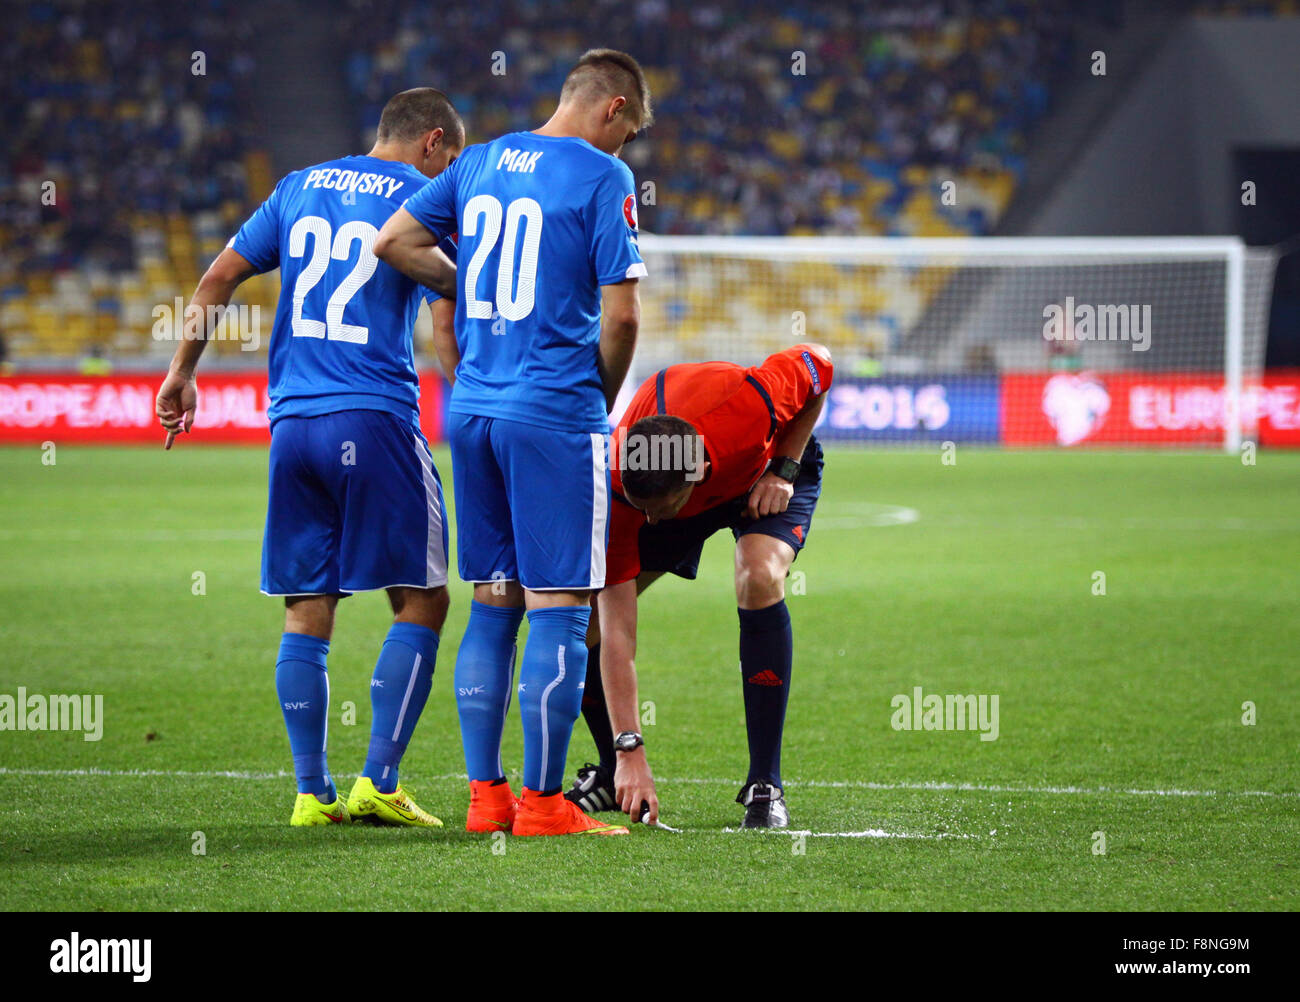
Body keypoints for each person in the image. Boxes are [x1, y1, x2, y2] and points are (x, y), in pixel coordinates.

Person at [155, 89, 462, 827]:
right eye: (450, 156)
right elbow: (447, 327)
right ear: (431, 145)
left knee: (307, 603)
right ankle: (379, 781)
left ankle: (310, 793)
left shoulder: (299, 186)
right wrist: (473, 397)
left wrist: (182, 373)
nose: (449, 167)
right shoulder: (429, 197)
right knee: (423, 596)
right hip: (376, 413)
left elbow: (217, 278)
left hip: (292, 421)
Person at [374, 49, 651, 836]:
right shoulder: (604, 179)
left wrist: (474, 289)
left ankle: (484, 799)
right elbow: (624, 317)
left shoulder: (482, 160)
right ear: (612, 110)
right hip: (553, 411)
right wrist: (597, 394)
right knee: (560, 607)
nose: (624, 150)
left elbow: (393, 242)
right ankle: (542, 804)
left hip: (474, 413)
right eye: (628, 132)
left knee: (492, 603)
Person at [566, 344, 833, 829]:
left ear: (691, 483)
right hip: (665, 488)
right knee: (584, 626)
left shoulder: (746, 407)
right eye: (639, 506)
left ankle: (765, 783)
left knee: (759, 573)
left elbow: (820, 364)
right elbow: (619, 634)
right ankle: (613, 771)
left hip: (762, 474)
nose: (648, 521)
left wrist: (785, 468)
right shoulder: (623, 489)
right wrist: (632, 748)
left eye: (657, 510)